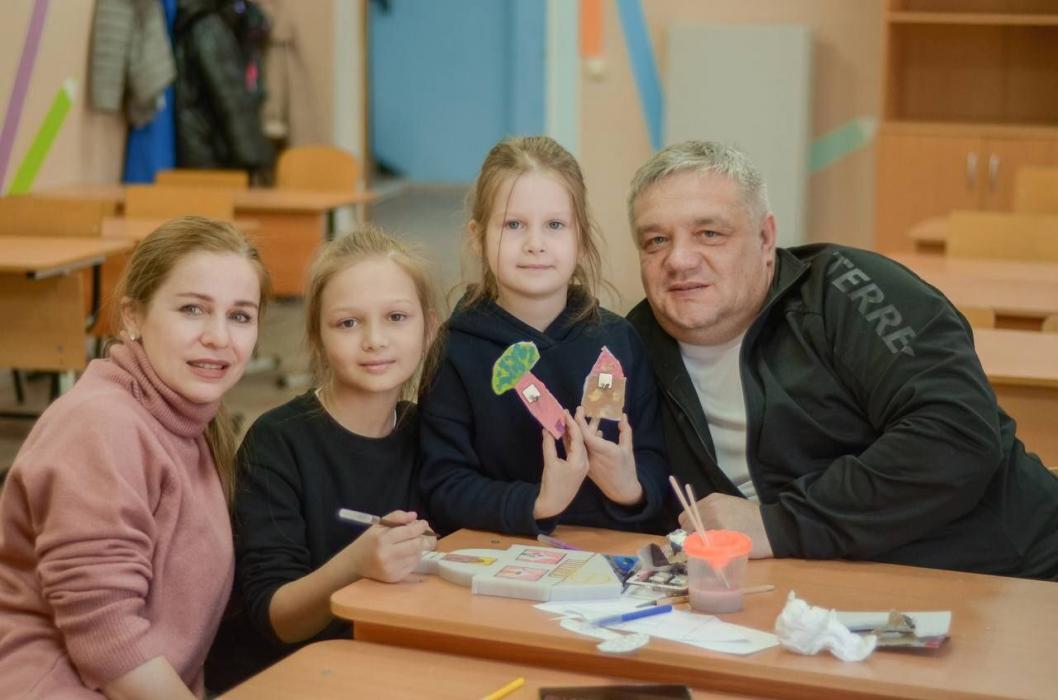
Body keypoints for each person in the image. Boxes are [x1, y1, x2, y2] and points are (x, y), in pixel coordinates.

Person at [626, 140, 1058, 579]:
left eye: (709, 234)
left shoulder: (853, 294)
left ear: (765, 238)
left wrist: (778, 525)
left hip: (1002, 575)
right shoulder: (630, 346)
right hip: (807, 589)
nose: (679, 260)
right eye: (656, 240)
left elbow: (956, 436)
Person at [0, 217, 269, 698]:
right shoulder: (100, 426)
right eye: (192, 309)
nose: (218, 336)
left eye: (240, 316)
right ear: (133, 317)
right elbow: (108, 639)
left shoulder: (192, 420)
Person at [205, 227, 437, 692]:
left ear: (428, 329)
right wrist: (356, 564)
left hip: (386, 666)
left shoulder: (428, 432)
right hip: (284, 678)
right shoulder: (277, 442)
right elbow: (277, 618)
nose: (375, 340)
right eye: (348, 323)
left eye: (396, 317)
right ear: (316, 335)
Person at [419, 136, 670, 537]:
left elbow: (657, 463)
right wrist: (538, 503)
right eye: (513, 225)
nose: (535, 244)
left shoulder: (620, 341)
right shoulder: (455, 351)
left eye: (554, 225)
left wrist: (629, 487)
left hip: (614, 558)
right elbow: (443, 488)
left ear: (581, 239)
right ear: (478, 238)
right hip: (499, 555)